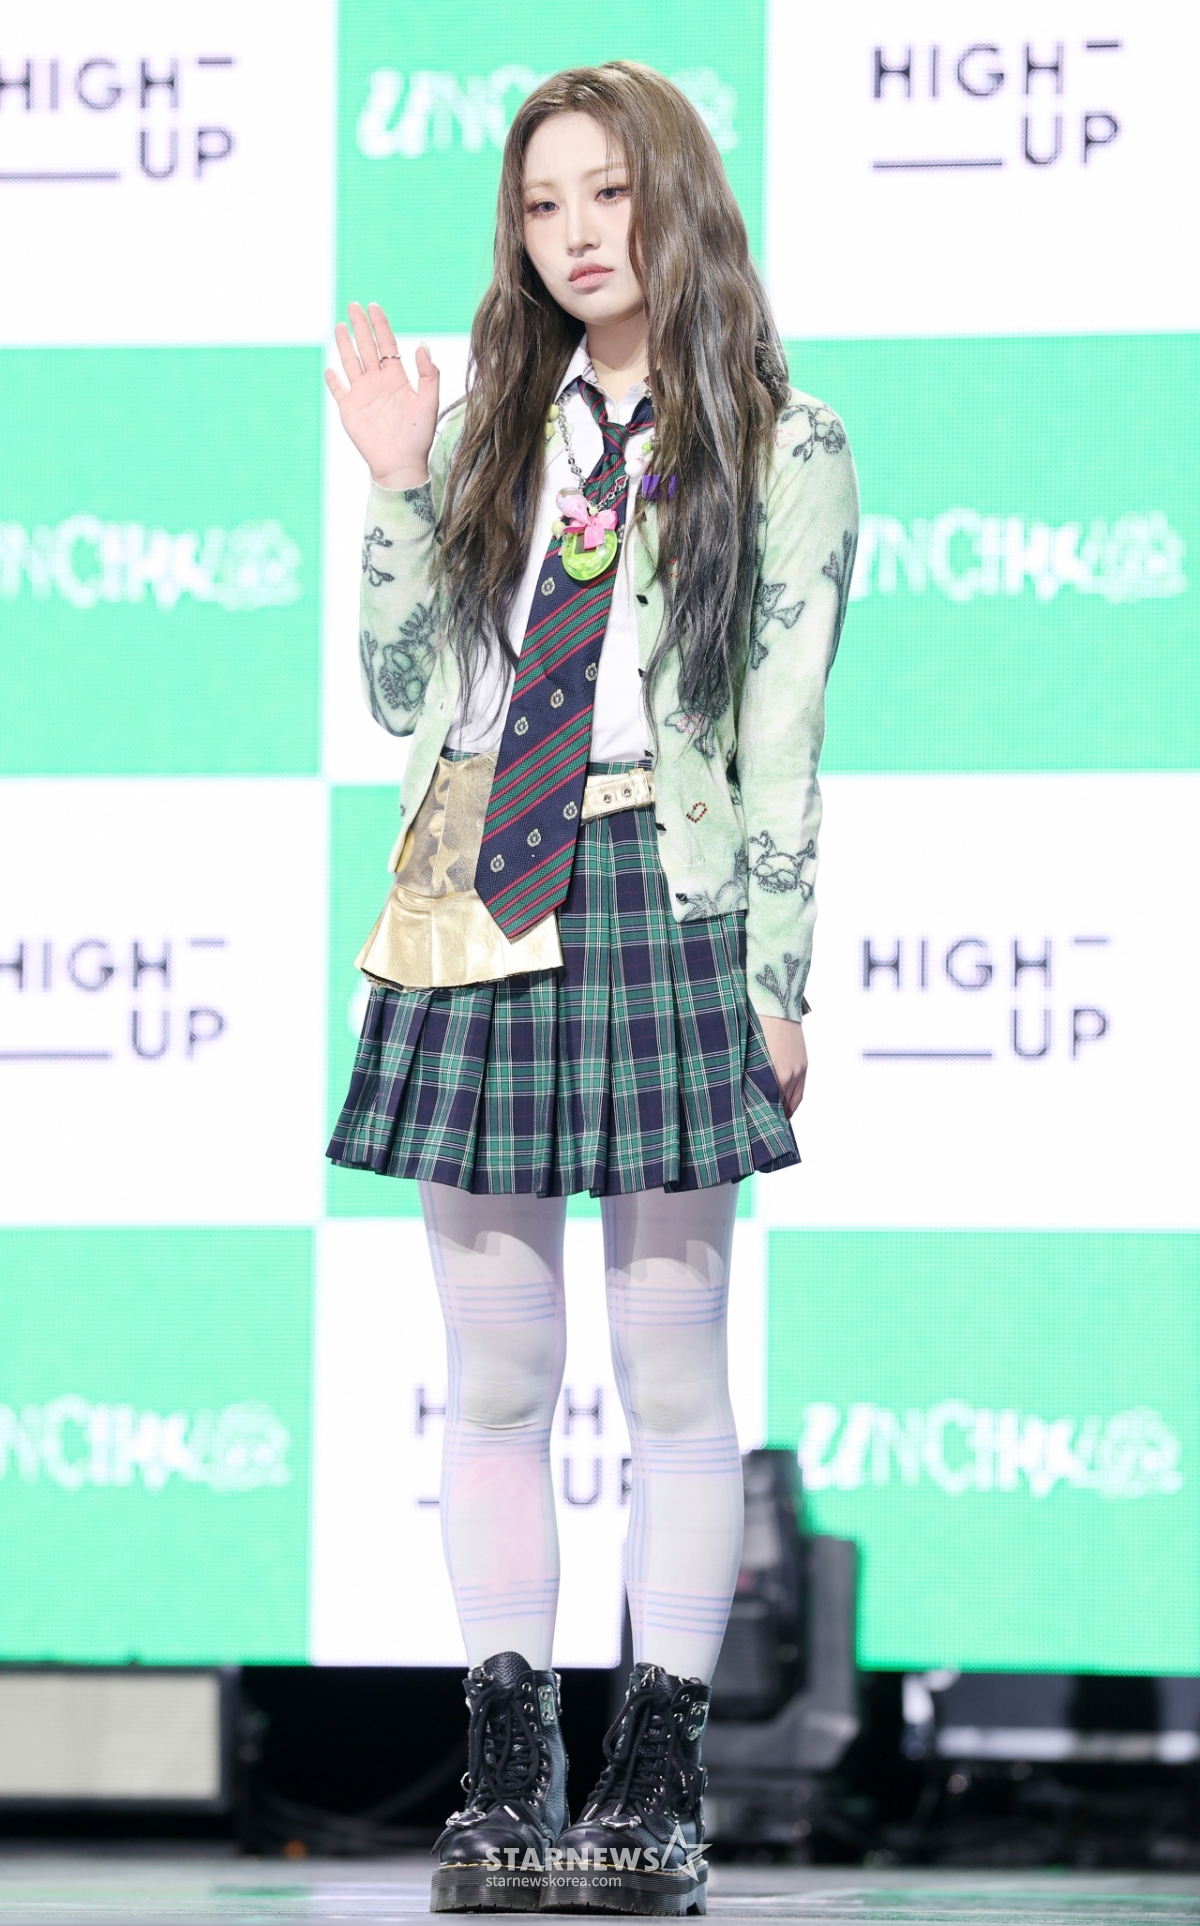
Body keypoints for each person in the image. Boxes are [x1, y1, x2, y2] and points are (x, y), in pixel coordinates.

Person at [324, 61, 857, 1917]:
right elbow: (405, 692)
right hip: (476, 887)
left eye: (608, 194)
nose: (575, 234)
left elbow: (784, 737)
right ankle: (507, 1772)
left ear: (675, 199)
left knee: (673, 1369)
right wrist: (398, 482)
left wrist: (775, 973)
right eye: (543, 205)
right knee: (494, 1370)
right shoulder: (486, 426)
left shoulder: (783, 443)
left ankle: (655, 1774)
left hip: (662, 889)